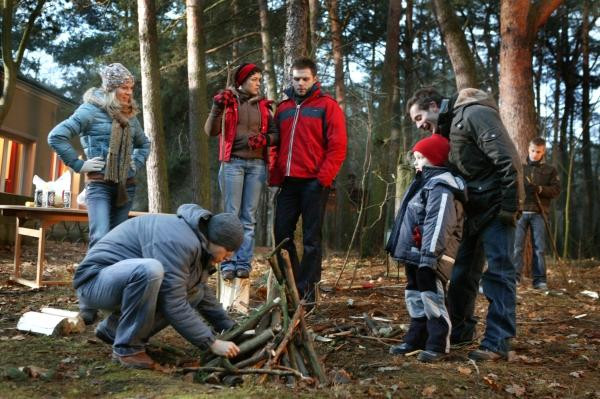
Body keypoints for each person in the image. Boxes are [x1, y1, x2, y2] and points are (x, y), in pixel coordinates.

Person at [407, 87, 524, 361]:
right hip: (471, 211)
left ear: (434, 106)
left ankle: (498, 341)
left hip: (496, 208)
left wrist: (510, 206)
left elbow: (508, 160)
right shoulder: (446, 129)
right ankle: (460, 331)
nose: (420, 125)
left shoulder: (475, 114)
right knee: (460, 274)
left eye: (419, 117)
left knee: (499, 274)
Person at [73, 204, 244, 369]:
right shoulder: (180, 241)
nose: (229, 257)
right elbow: (173, 302)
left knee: (195, 292)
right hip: (94, 281)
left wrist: (229, 327)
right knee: (150, 271)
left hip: (119, 281)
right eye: (229, 250)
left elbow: (200, 292)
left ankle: (114, 330)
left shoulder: (199, 242)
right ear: (217, 240)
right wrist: (211, 343)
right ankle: (127, 348)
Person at [48, 63, 150, 249]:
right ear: (110, 88)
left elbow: (144, 144)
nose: (129, 92)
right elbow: (56, 136)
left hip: (126, 186)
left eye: (130, 88)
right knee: (101, 236)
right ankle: (90, 277)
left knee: (119, 241)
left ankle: (111, 278)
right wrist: (79, 165)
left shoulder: (130, 116)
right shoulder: (90, 110)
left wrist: (136, 161)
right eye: (123, 87)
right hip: (99, 185)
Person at [270, 57, 347, 303]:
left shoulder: (327, 106)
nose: (300, 83)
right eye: (296, 79)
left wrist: (323, 178)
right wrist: (275, 172)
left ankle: (308, 293)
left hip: (315, 182)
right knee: (282, 235)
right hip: (288, 183)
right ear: (291, 79)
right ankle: (291, 288)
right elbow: (274, 144)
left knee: (312, 239)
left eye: (305, 79)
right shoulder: (283, 109)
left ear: (315, 79)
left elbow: (338, 146)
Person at [386, 134, 466, 363]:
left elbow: (439, 222)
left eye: (420, 157)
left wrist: (429, 255)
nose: (415, 162)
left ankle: (438, 343)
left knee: (432, 297)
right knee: (414, 294)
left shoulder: (442, 186)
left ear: (435, 159)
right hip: (415, 253)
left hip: (432, 255)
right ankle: (416, 336)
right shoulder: (422, 181)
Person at [204, 63, 278, 280]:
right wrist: (217, 108)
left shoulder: (263, 107)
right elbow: (211, 131)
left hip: (256, 166)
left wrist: (264, 139)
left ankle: (244, 263)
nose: (258, 83)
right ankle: (227, 263)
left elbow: (275, 134)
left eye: (259, 80)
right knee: (230, 216)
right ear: (242, 80)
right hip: (232, 165)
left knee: (248, 218)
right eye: (254, 79)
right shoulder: (228, 101)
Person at [513, 137, 560, 290]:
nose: (535, 154)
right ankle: (514, 278)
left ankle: (540, 281)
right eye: (533, 151)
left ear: (543, 151)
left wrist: (540, 189)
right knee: (517, 247)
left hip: (539, 213)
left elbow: (556, 190)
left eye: (538, 152)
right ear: (528, 149)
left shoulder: (550, 170)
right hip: (520, 212)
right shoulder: (521, 168)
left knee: (539, 248)